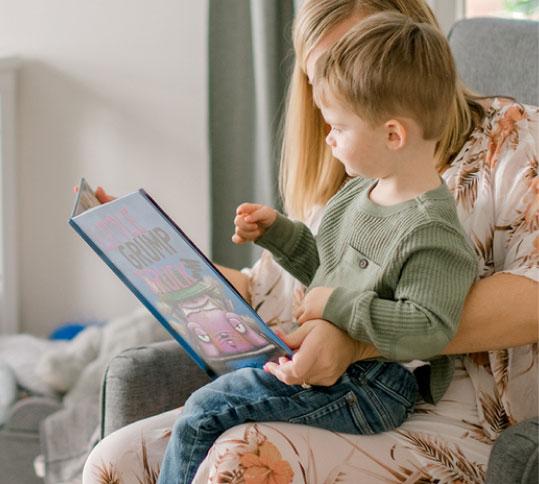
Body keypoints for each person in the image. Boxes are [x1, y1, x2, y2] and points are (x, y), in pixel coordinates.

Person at [83, 1, 538, 482]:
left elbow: (528, 296)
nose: (334, 102)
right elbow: (279, 288)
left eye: (351, 63)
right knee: (114, 459)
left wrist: (357, 337)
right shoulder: (360, 179)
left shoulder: (513, 143)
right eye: (321, 76)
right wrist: (159, 259)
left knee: (245, 458)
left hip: (446, 407)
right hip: (329, 384)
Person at [155, 13, 478, 483]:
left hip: (377, 386)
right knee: (213, 402)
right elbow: (328, 271)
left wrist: (340, 307)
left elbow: (429, 327)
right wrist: (279, 234)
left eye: (339, 128)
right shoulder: (358, 193)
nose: (327, 139)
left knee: (206, 411)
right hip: (338, 372)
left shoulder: (431, 230)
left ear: (393, 135)